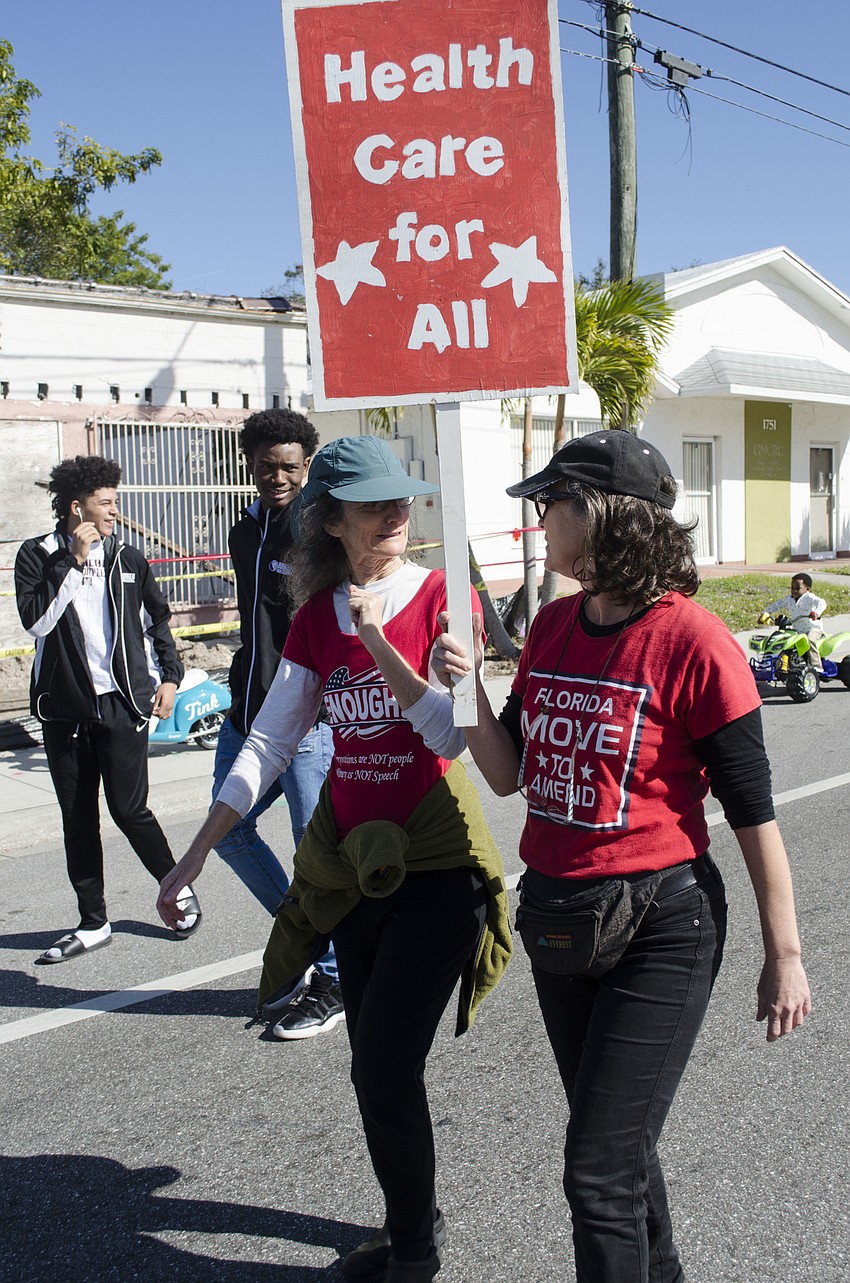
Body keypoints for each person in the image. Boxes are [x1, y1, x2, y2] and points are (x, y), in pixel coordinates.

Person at [434, 430, 811, 1283]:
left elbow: (753, 812)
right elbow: (508, 773)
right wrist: (463, 695)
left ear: (597, 514)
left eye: (549, 502)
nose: (538, 519)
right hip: (562, 922)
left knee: (596, 1169)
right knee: (623, 1151)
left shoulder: (694, 641)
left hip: (660, 928)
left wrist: (784, 954)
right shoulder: (556, 625)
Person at [157, 436, 511, 1283]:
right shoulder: (316, 616)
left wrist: (379, 640)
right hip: (354, 872)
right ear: (333, 521)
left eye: (401, 499)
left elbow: (444, 735)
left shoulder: (442, 598)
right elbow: (272, 739)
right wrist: (194, 855)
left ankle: (417, 1250)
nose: (396, 513)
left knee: (387, 1059)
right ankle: (407, 1220)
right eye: (373, 503)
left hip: (437, 868)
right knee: (372, 1067)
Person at [14, 454, 201, 964]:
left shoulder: (127, 558)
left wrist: (169, 676)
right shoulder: (37, 556)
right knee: (77, 818)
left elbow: (157, 620)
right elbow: (37, 624)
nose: (115, 512)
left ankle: (177, 889)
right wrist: (72, 566)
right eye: (107, 503)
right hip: (65, 713)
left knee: (129, 810)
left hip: (123, 705)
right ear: (78, 508)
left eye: (115, 503)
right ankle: (93, 921)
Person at [211, 408, 341, 1040]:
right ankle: (313, 951)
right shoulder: (246, 529)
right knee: (228, 833)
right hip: (246, 713)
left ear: (307, 465)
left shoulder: (322, 533)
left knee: (314, 852)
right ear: (251, 465)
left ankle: (337, 976)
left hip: (307, 722)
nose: (277, 476)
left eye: (289, 465)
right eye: (266, 466)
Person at [761, 572, 827, 669]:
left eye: (797, 588)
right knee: (783, 640)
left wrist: (816, 613)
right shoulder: (789, 599)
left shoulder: (810, 598)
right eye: (792, 588)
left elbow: (821, 602)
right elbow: (777, 605)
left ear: (807, 589)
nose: (794, 591)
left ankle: (817, 666)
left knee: (810, 640)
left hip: (812, 628)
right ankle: (775, 664)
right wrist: (766, 613)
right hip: (797, 630)